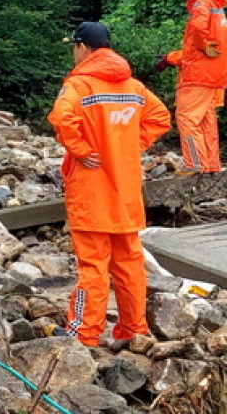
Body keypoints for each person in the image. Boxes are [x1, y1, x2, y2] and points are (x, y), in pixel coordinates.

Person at [48, 21, 171, 347]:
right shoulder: (133, 86)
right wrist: (130, 144)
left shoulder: (79, 86)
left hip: (92, 190)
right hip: (125, 193)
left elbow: (61, 118)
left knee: (93, 264)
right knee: (129, 262)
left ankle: (84, 334)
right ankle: (134, 330)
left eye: (73, 47)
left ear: (83, 48)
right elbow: (161, 118)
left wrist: (82, 150)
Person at [154, 0, 227, 174]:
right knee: (205, 121)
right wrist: (170, 58)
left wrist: (202, 43)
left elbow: (197, 32)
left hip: (197, 76)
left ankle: (194, 164)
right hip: (213, 76)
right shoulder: (216, 6)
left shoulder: (201, 3)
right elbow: (195, 50)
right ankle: (210, 166)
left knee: (186, 118)